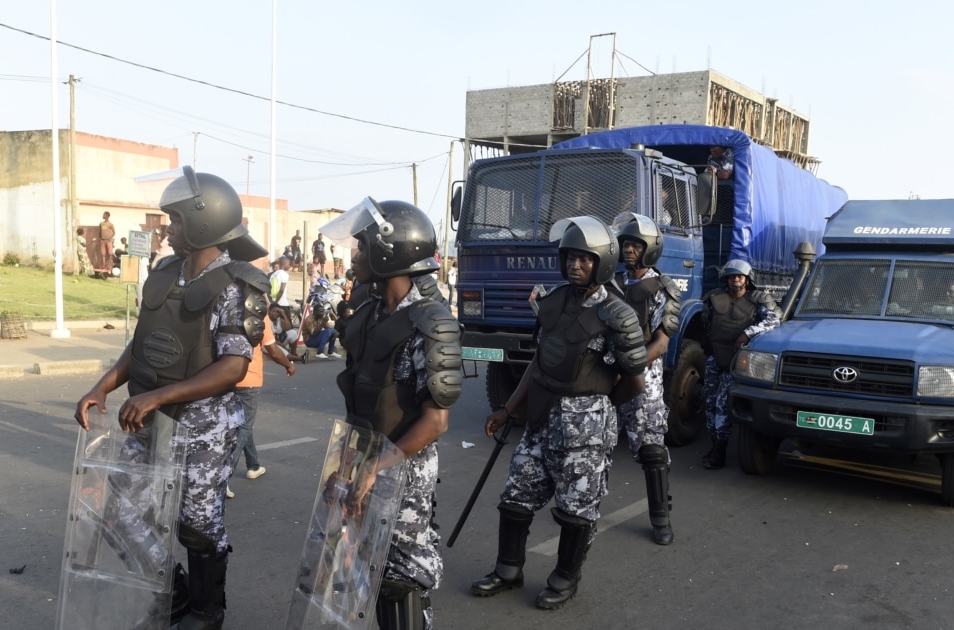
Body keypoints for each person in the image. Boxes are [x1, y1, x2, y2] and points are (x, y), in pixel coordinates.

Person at [73, 166, 269, 628]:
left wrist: (159, 395)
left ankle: (206, 609)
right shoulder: (165, 273)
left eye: (175, 220)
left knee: (198, 527)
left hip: (205, 425)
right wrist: (103, 386)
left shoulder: (238, 284)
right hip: (153, 419)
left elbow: (233, 365)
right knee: (117, 510)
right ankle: (174, 587)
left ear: (204, 222)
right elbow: (142, 343)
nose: (167, 228)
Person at [472, 216, 647, 611]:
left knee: (575, 509)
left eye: (584, 259)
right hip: (540, 419)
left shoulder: (618, 316)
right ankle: (507, 569)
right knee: (515, 496)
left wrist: (596, 407)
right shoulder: (552, 302)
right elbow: (539, 364)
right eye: (570, 257)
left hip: (585, 430)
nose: (575, 265)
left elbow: (634, 382)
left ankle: (565, 577)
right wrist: (507, 409)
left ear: (601, 261)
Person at [322, 197, 462, 629]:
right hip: (362, 458)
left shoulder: (430, 322)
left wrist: (376, 468)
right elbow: (360, 401)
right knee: (365, 568)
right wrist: (347, 462)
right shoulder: (368, 315)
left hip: (402, 469)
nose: (356, 255)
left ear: (390, 251)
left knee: (400, 577)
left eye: (363, 247)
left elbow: (436, 420)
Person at [608, 212, 682, 545]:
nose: (628, 251)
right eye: (625, 245)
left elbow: (661, 342)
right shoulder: (611, 283)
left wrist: (630, 366)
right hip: (606, 375)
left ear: (649, 249)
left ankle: (660, 518)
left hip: (643, 380)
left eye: (635, 246)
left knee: (651, 451)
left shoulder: (662, 289)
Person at [700, 259, 781, 469]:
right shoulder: (714, 298)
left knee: (722, 404)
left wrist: (748, 332)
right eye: (732, 276)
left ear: (747, 279)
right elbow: (704, 324)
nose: (735, 280)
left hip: (737, 359)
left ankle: (720, 450)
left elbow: (774, 320)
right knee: (709, 402)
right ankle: (714, 443)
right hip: (714, 357)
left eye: (740, 276)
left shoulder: (757, 300)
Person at [227, 313, 296, 499]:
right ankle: (223, 477)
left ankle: (254, 465)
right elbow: (272, 350)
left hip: (225, 377)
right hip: (249, 380)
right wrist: (288, 364)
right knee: (244, 426)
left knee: (243, 423)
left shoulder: (228, 307)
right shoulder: (259, 315)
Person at [706, 144, 735, 225]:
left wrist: (714, 174)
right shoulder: (711, 157)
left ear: (721, 147)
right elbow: (707, 175)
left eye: (714, 147)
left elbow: (725, 175)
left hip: (730, 191)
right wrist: (712, 174)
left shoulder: (729, 152)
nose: (711, 150)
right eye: (710, 147)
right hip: (715, 191)